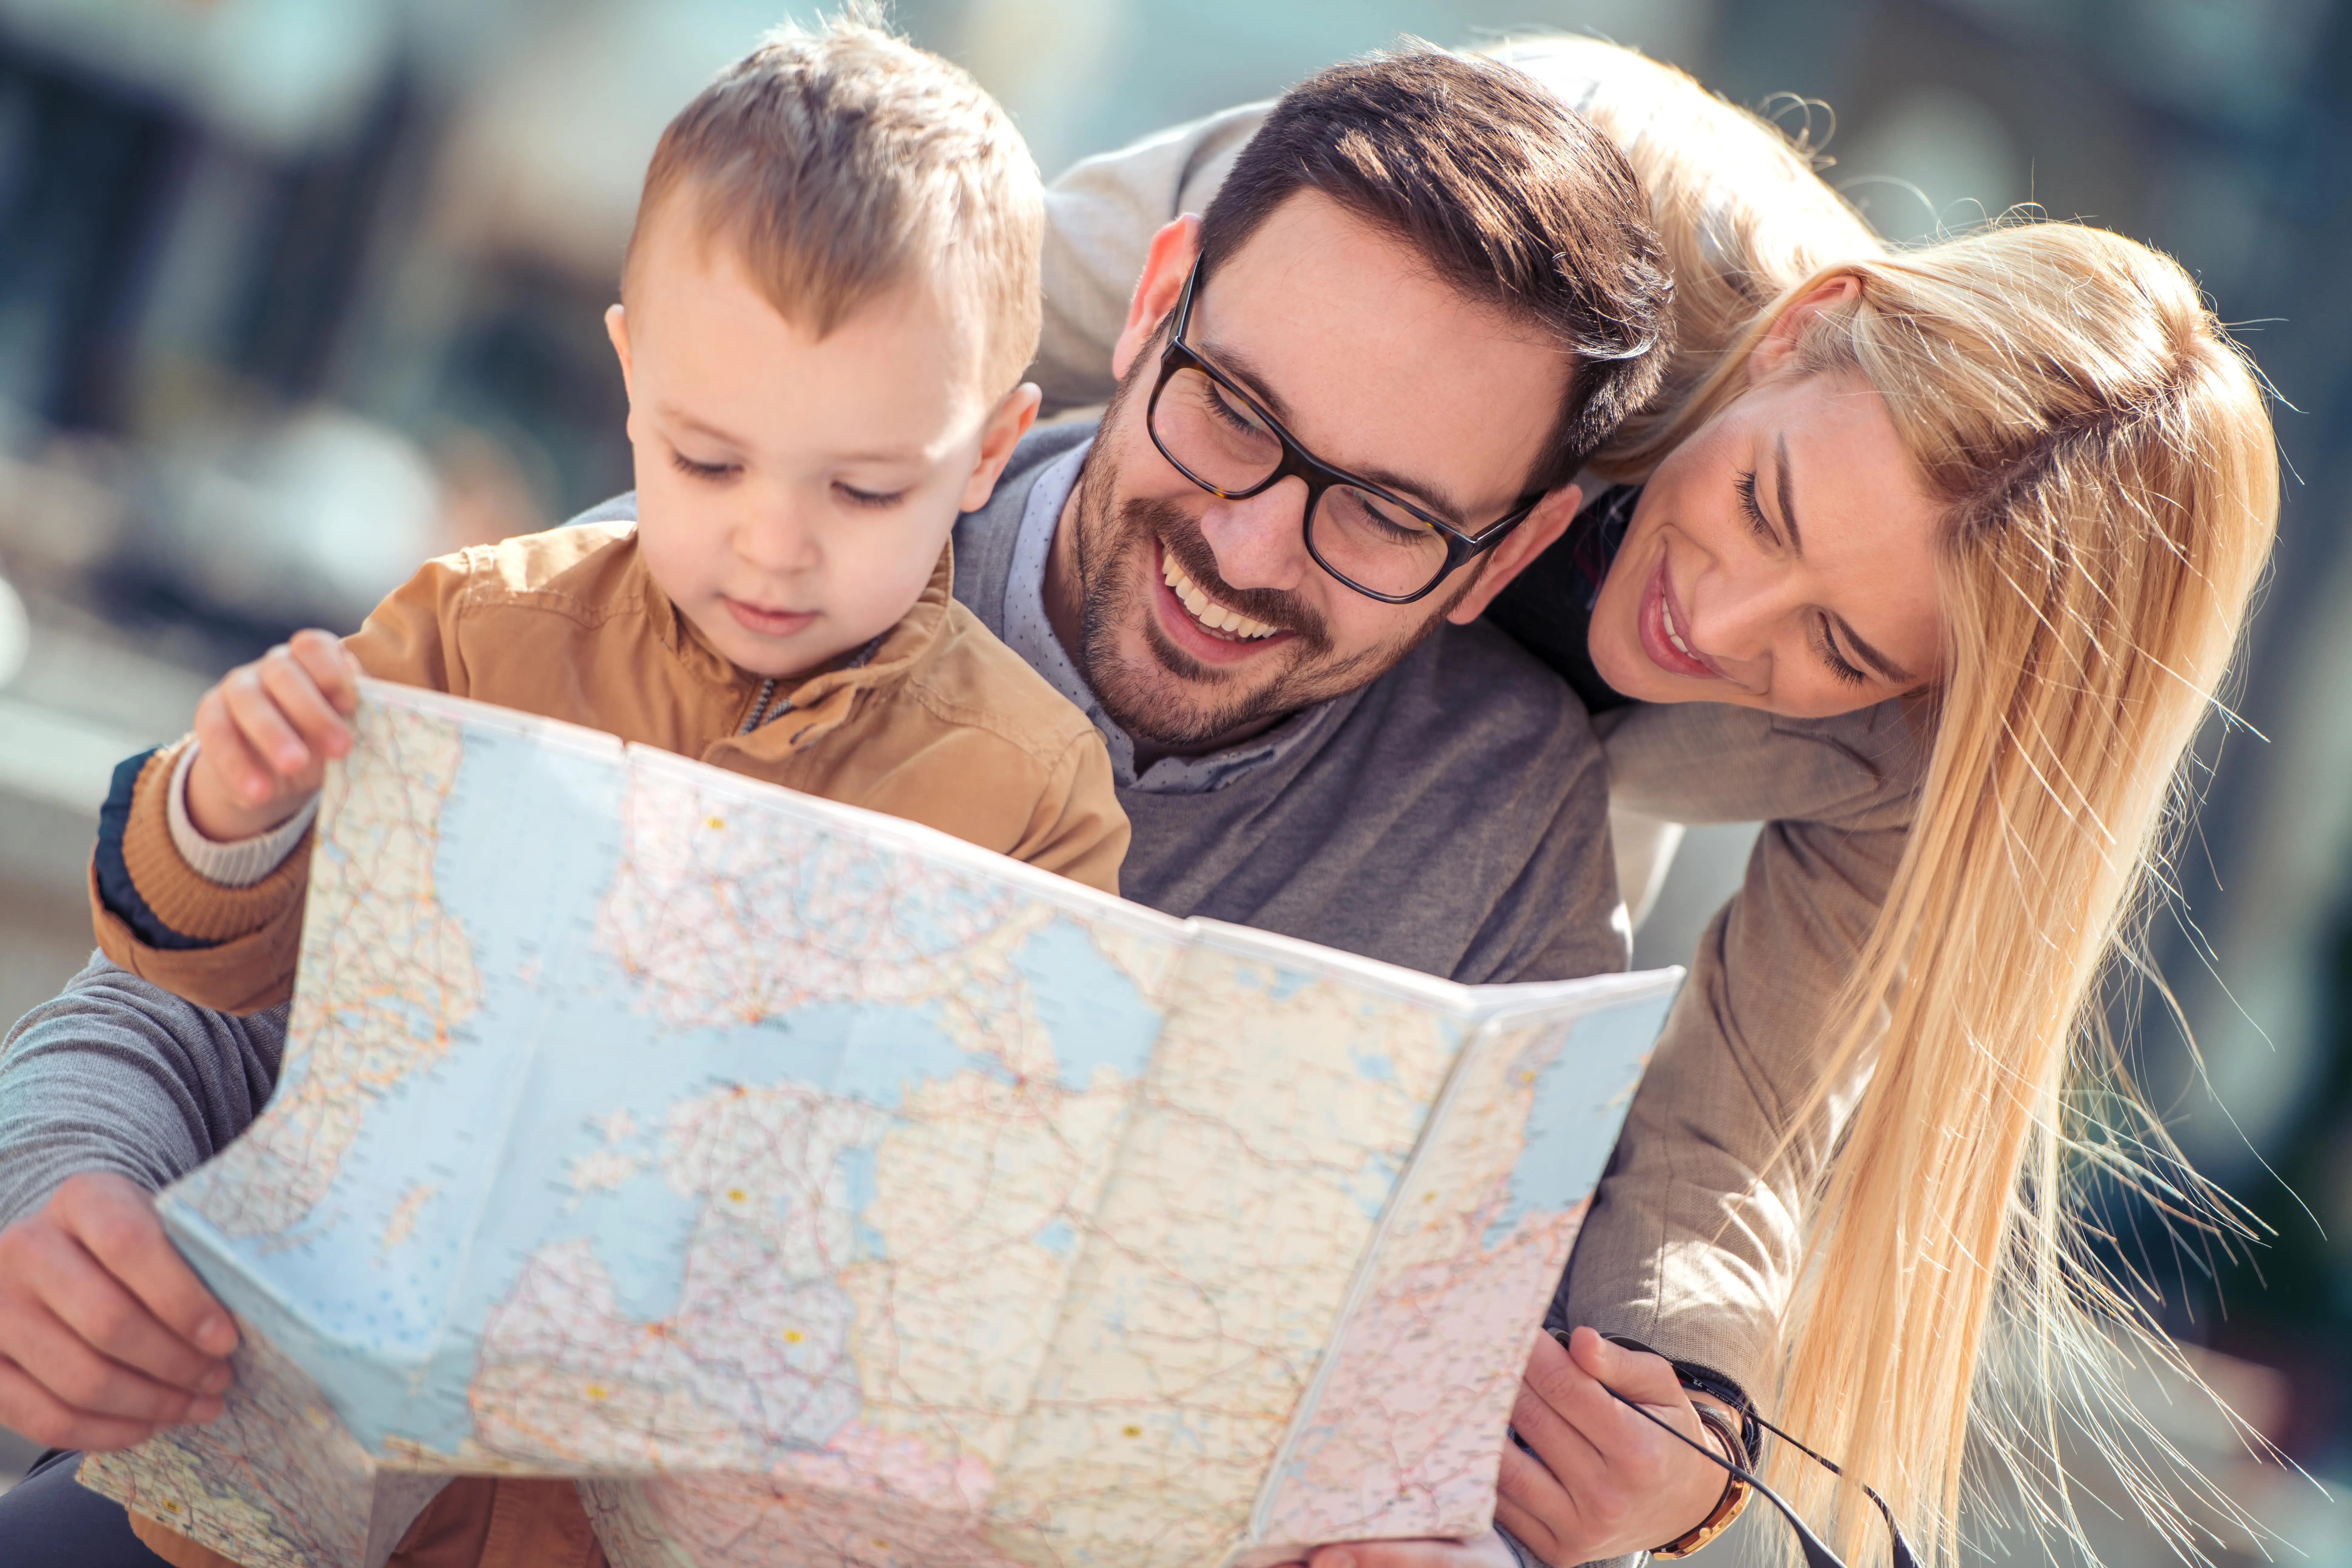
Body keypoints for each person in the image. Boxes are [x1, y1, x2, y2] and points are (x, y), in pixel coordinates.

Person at [0, 37, 1665, 1568]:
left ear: (1504, 555)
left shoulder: (1508, 820)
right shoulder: (753, 525)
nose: (1245, 548)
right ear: (1157, 303)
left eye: (1382, 514)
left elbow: (1474, 1412)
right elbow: (189, 1005)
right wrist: (54, 1195)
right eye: (1231, 412)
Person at [1029, 34, 2279, 1566]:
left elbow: (1726, 1143)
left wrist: (1689, 1429)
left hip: (1476, 840)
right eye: (1762, 504)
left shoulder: (1901, 755)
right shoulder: (1509, 199)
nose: (1723, 622)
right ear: (1794, 336)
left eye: (1837, 644)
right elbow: (946, 322)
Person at [15, 17, 1157, 1567]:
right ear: (629, 385)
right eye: (707, 459)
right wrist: (236, 806)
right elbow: (212, 972)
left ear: (989, 455)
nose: (772, 541)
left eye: (863, 488)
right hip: (293, 1480)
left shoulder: (1036, 790)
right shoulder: (473, 629)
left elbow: (999, 1206)